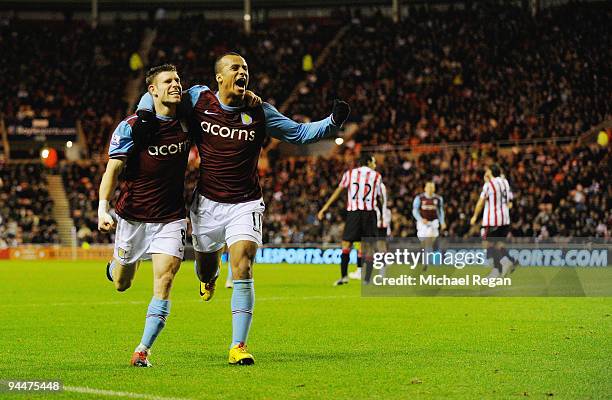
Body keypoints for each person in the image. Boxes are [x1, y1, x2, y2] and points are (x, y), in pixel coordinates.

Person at [136, 52, 350, 365]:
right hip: (207, 205)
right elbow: (154, 94)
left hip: (246, 202)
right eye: (235, 68)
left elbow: (299, 133)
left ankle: (238, 345)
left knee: (244, 262)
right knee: (206, 267)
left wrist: (333, 122)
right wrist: (143, 116)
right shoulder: (197, 99)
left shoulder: (259, 110)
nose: (243, 72)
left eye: (246, 68)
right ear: (219, 77)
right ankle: (208, 278)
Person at [98, 64, 190, 367]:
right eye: (168, 81)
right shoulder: (131, 126)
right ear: (152, 90)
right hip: (133, 217)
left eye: (177, 80)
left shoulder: (188, 121)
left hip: (171, 216)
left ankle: (143, 349)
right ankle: (116, 265)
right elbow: (113, 169)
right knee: (122, 284)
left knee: (165, 279)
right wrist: (102, 207)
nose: (175, 84)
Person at [317, 153, 383, 285]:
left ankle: (344, 276)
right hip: (369, 213)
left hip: (354, 213)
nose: (374, 165)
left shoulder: (350, 174)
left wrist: (325, 207)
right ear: (369, 162)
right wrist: (381, 214)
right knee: (368, 246)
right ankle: (367, 279)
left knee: (346, 244)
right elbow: (379, 197)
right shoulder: (376, 176)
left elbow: (338, 191)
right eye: (373, 162)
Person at [470, 164, 515, 277]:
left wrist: (475, 216)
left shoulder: (489, 185)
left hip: (492, 220)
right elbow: (510, 201)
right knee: (498, 244)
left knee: (486, 244)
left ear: (491, 172)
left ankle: (503, 264)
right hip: (505, 219)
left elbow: (480, 202)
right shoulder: (505, 182)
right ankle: (503, 266)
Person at [412, 181, 445, 269]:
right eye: (428, 187)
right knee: (424, 243)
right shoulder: (419, 198)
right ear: (425, 188)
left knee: (429, 240)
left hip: (433, 222)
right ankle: (428, 258)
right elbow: (414, 210)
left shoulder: (438, 199)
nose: (430, 189)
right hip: (422, 224)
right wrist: (421, 219)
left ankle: (428, 262)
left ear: (434, 189)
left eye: (432, 187)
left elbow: (441, 211)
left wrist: (442, 222)